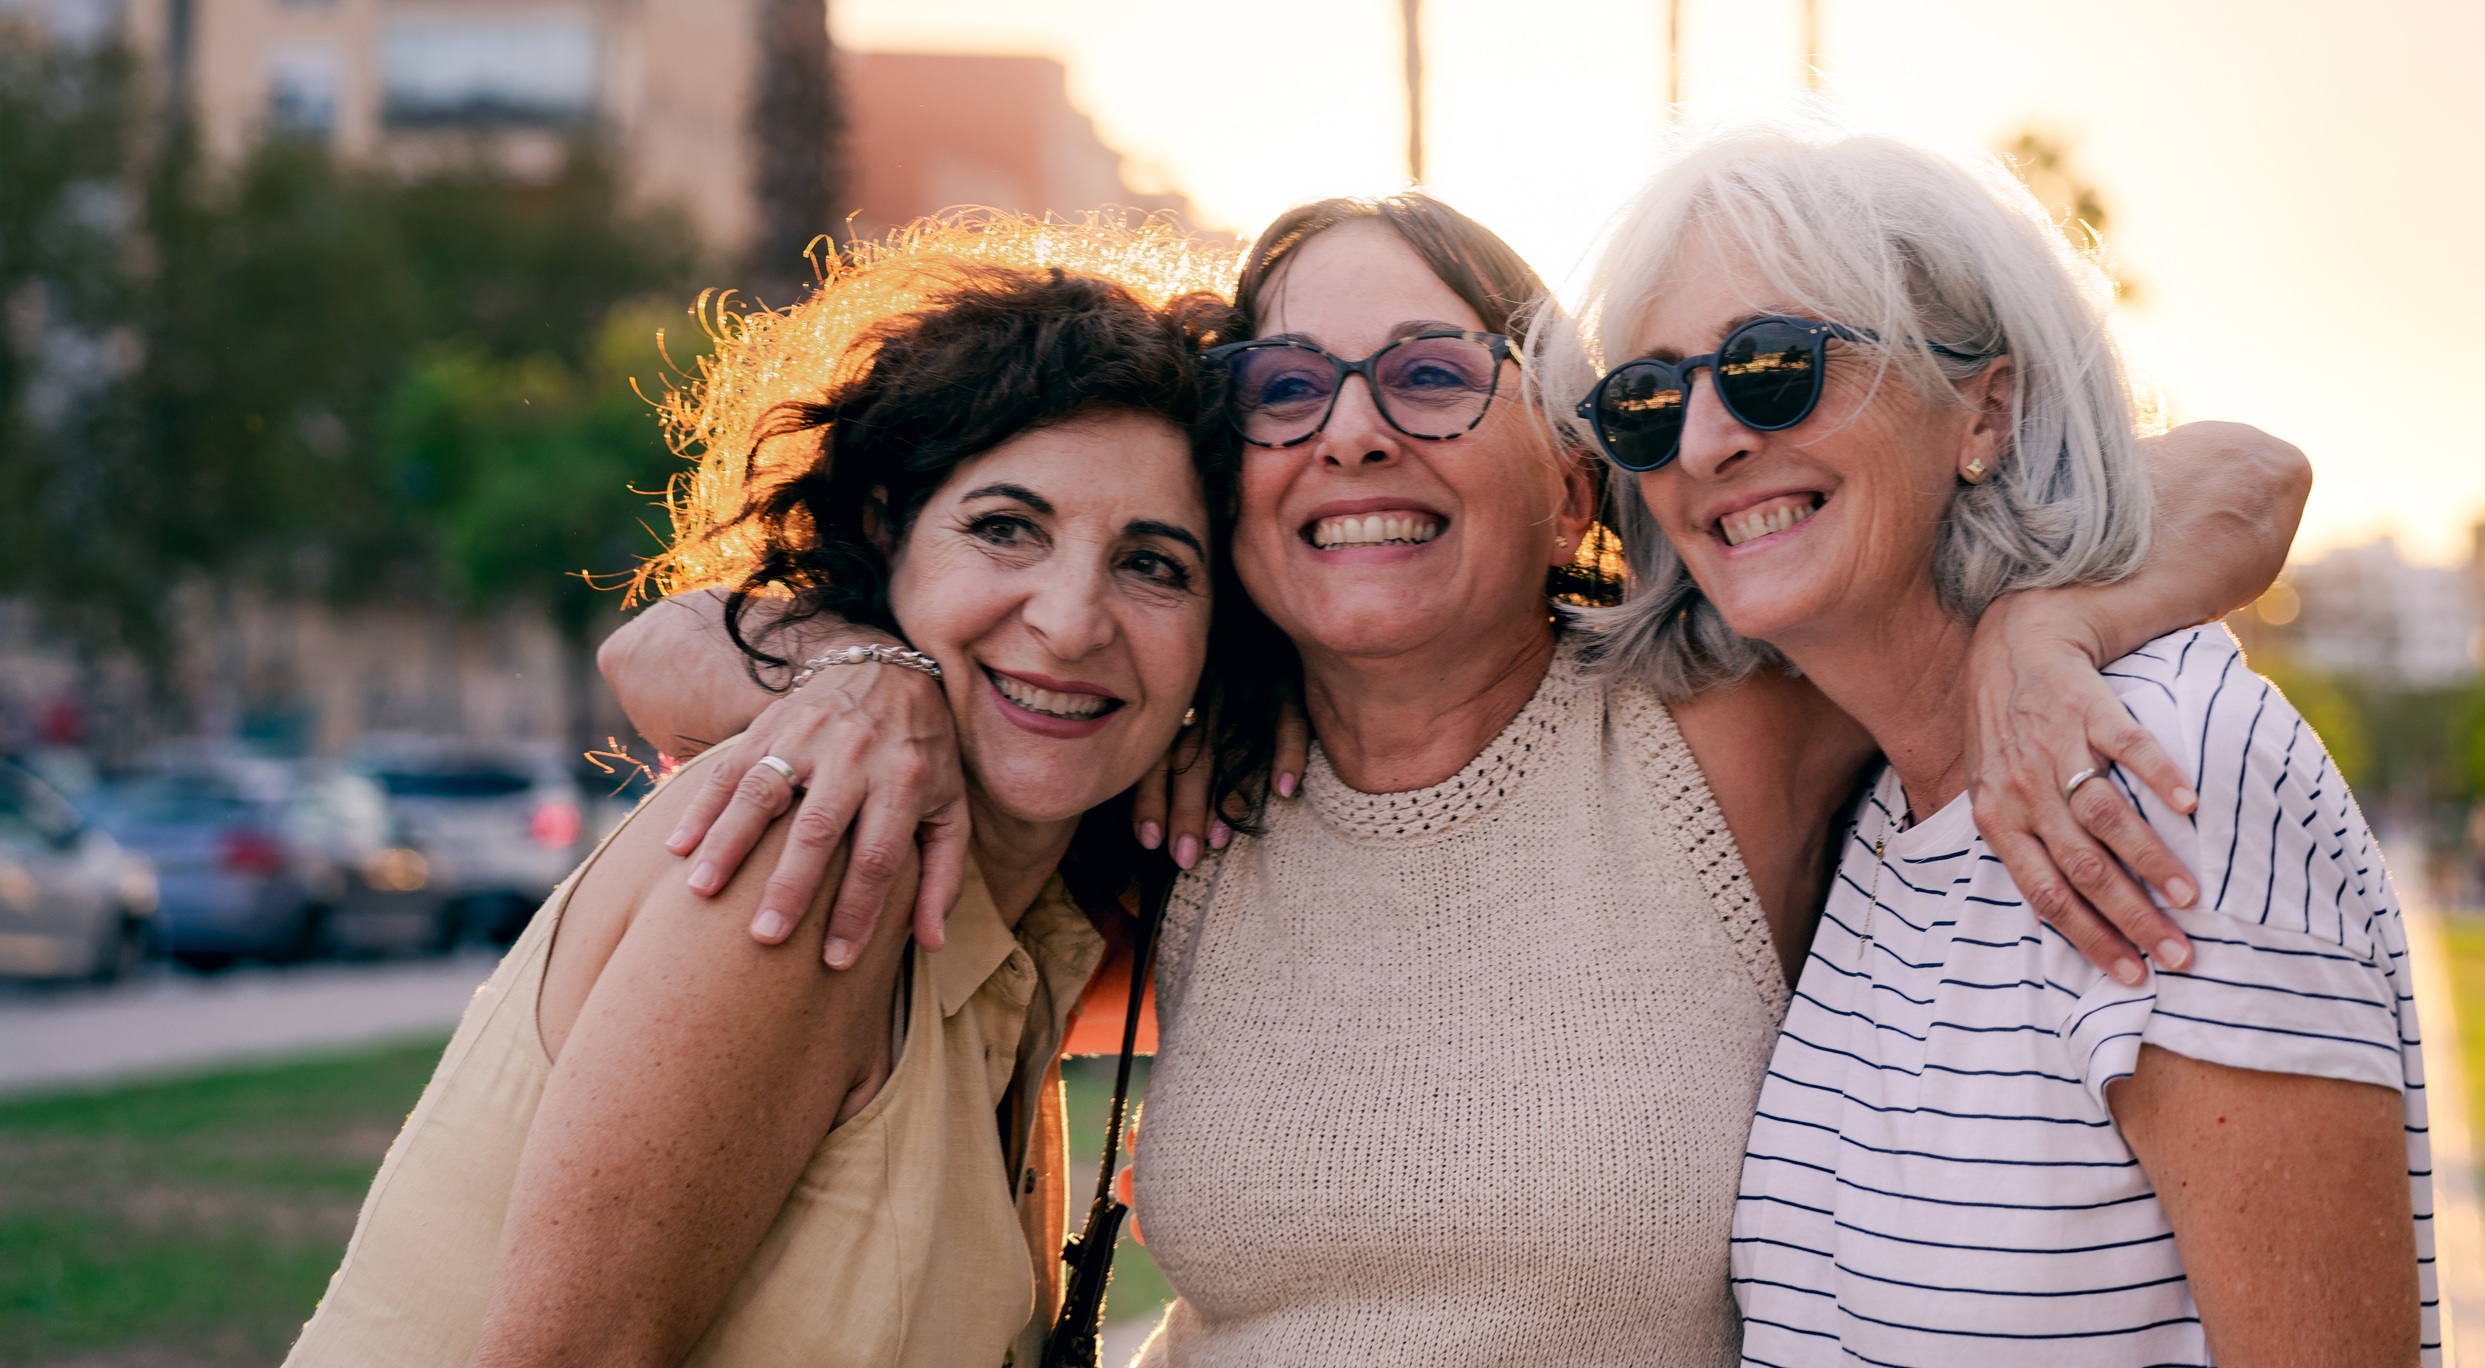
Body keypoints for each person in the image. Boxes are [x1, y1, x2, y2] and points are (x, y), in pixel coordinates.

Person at [607, 194, 2308, 1367]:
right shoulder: (1179, 782)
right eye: (1280, 389)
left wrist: (2045, 626)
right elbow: (662, 653)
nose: (1351, 432)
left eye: (1429, 373)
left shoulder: (1730, 727)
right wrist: (876, 681)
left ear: (1579, 471)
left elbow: (2247, 473)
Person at [290, 234, 1271, 1368]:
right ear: (883, 534)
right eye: (1005, 528)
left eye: (1154, 565)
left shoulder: (1028, 938)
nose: (1070, 618)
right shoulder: (809, 851)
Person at [1558, 126, 2433, 1366]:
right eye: (1645, 401)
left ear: (1986, 405)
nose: (1704, 444)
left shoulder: (2153, 769)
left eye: (1772, 366)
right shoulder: (1876, 809)